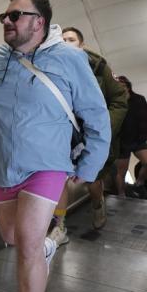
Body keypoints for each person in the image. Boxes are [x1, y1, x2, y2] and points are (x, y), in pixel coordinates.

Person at [0, 0, 110, 292]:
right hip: (3, 165)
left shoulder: (69, 59)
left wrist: (90, 166)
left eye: (15, 15)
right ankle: (47, 246)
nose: (7, 21)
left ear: (38, 22)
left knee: (25, 245)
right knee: (13, 238)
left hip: (46, 164)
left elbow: (96, 115)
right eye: (5, 16)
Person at [47, 26, 127, 241]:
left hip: (90, 135)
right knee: (60, 179)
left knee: (93, 180)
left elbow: (120, 99)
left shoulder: (99, 68)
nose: (66, 42)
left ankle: (97, 203)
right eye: (62, 39)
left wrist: (104, 125)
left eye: (71, 39)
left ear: (81, 45)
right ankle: (60, 226)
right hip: (64, 135)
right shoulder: (52, 65)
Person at [114, 75, 147, 198]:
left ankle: (139, 183)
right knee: (122, 171)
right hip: (122, 141)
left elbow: (146, 116)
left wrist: (145, 134)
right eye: (118, 86)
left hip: (138, 139)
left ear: (128, 86)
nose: (122, 88)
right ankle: (121, 194)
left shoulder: (139, 99)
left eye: (124, 85)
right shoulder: (114, 101)